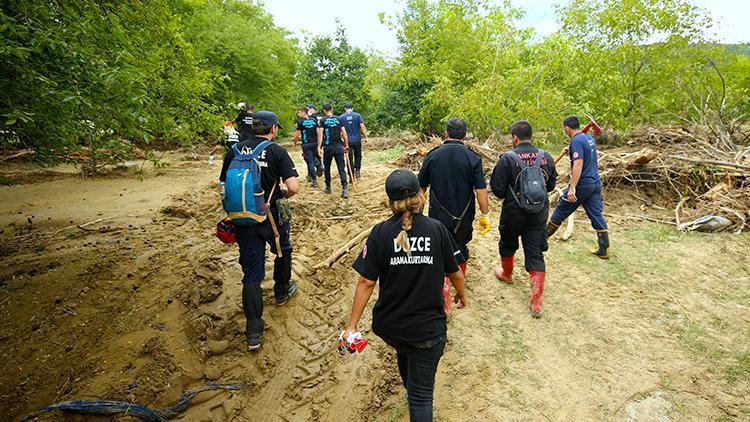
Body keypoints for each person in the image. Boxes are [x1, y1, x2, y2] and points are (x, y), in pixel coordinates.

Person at [343, 169, 467, 422]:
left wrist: (352, 325)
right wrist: (462, 295)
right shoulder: (437, 230)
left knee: (405, 350)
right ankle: (416, 392)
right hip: (427, 331)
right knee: (422, 397)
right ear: (421, 196)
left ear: (390, 202)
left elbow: (366, 281)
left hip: (392, 326)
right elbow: (454, 272)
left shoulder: (379, 233)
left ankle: (412, 387)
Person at [219, 110, 299, 350]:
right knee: (282, 250)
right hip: (271, 216)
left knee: (251, 273)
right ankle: (282, 291)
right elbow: (294, 187)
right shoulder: (276, 151)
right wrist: (283, 193)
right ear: (273, 129)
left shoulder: (233, 151)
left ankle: (254, 330)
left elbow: (223, 185)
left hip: (243, 219)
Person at [417, 117, 490, 317]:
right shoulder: (473, 158)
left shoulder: (432, 156)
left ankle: (444, 302)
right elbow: (481, 190)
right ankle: (459, 290)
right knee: (461, 249)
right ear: (465, 136)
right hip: (464, 217)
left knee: (439, 253)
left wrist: (415, 213)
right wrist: (486, 214)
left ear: (446, 134)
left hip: (437, 218)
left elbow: (420, 188)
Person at [490, 120, 557, 318]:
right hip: (539, 212)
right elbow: (551, 186)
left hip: (514, 211)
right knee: (535, 252)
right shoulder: (546, 156)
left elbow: (498, 189)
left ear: (514, 138)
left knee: (508, 243)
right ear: (531, 136)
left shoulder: (507, 158)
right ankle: (536, 303)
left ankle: (507, 274)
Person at [546, 115, 610, 259]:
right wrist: (571, 151)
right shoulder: (588, 139)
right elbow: (586, 155)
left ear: (567, 128)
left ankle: (542, 239)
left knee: (562, 209)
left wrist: (573, 187)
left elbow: (578, 164)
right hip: (594, 183)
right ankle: (604, 249)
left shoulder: (577, 141)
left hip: (582, 184)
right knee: (596, 214)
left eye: (564, 128)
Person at [317, 104, 350, 198]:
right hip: (339, 147)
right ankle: (344, 189)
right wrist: (346, 145)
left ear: (324, 110)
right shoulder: (339, 119)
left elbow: (320, 134)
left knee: (327, 168)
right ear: (332, 109)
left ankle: (328, 187)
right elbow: (344, 133)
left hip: (328, 147)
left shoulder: (322, 120)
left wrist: (319, 147)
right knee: (341, 168)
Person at [339, 103, 369, 180]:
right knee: (358, 155)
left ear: (345, 109)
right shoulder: (357, 115)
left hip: (347, 141)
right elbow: (362, 126)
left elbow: (340, 130)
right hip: (357, 140)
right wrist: (366, 137)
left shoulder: (341, 117)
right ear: (353, 108)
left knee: (349, 157)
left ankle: (351, 174)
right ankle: (357, 170)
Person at [294, 107, 320, 187]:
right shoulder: (314, 120)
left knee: (310, 162)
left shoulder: (300, 122)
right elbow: (318, 132)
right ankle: (319, 166)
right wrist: (319, 143)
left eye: (299, 113)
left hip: (306, 144)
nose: (299, 114)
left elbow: (297, 134)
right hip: (315, 143)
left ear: (303, 112)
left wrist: (295, 142)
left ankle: (314, 180)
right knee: (315, 157)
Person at [306, 104, 325, 177]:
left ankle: (311, 173)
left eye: (308, 109)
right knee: (317, 154)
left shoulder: (310, 118)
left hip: (313, 138)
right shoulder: (321, 116)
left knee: (310, 156)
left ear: (311, 109)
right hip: (322, 138)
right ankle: (319, 168)